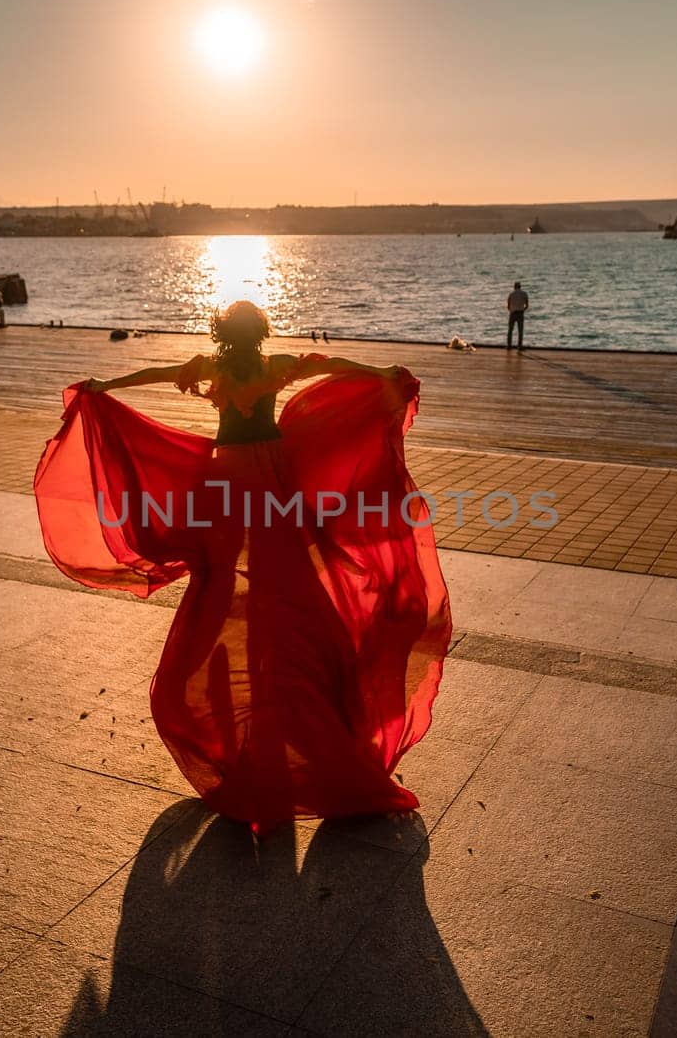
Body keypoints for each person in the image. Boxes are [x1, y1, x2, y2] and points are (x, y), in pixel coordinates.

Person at [34, 300, 451, 833]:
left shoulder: (212, 367)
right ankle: (303, 695)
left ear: (222, 333)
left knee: (225, 583)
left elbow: (155, 374)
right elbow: (331, 365)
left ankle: (254, 701)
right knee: (288, 583)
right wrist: (382, 374)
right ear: (260, 333)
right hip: (272, 481)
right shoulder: (275, 366)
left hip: (228, 482)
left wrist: (105, 384)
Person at [506, 281, 529, 350]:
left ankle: (509, 345)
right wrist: (523, 310)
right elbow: (527, 305)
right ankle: (519, 346)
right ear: (520, 287)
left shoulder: (511, 294)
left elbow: (508, 305)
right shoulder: (524, 293)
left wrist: (511, 310)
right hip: (520, 313)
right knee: (520, 330)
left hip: (513, 313)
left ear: (514, 287)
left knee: (510, 329)